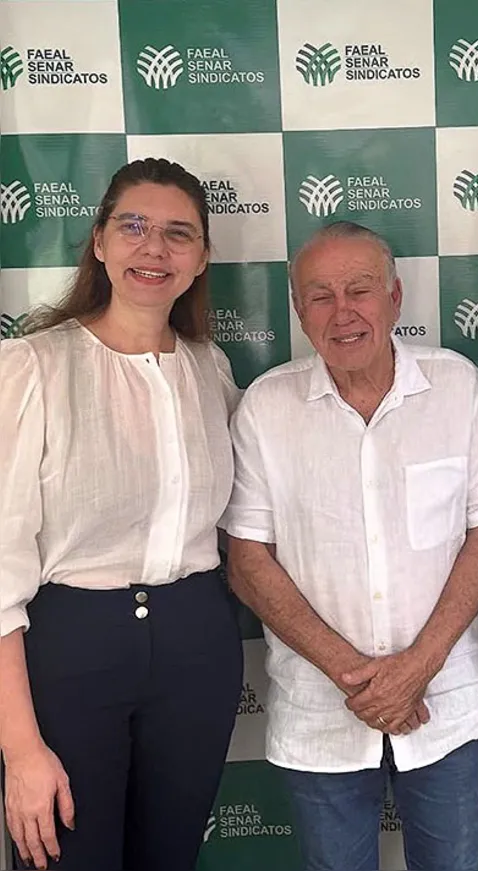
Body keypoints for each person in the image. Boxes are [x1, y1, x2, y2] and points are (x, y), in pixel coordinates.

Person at [221, 220, 478, 871]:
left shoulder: (457, 387)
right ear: (299, 311)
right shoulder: (266, 407)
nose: (342, 311)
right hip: (321, 710)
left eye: (360, 289)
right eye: (320, 296)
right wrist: (356, 676)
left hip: (445, 702)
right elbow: (247, 561)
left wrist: (416, 669)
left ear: (395, 297)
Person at [0, 157, 243, 871]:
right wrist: (20, 749)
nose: (154, 248)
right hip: (70, 652)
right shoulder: (32, 368)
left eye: (178, 233)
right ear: (100, 241)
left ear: (201, 258)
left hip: (198, 647)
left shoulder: (211, 369)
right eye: (133, 226)